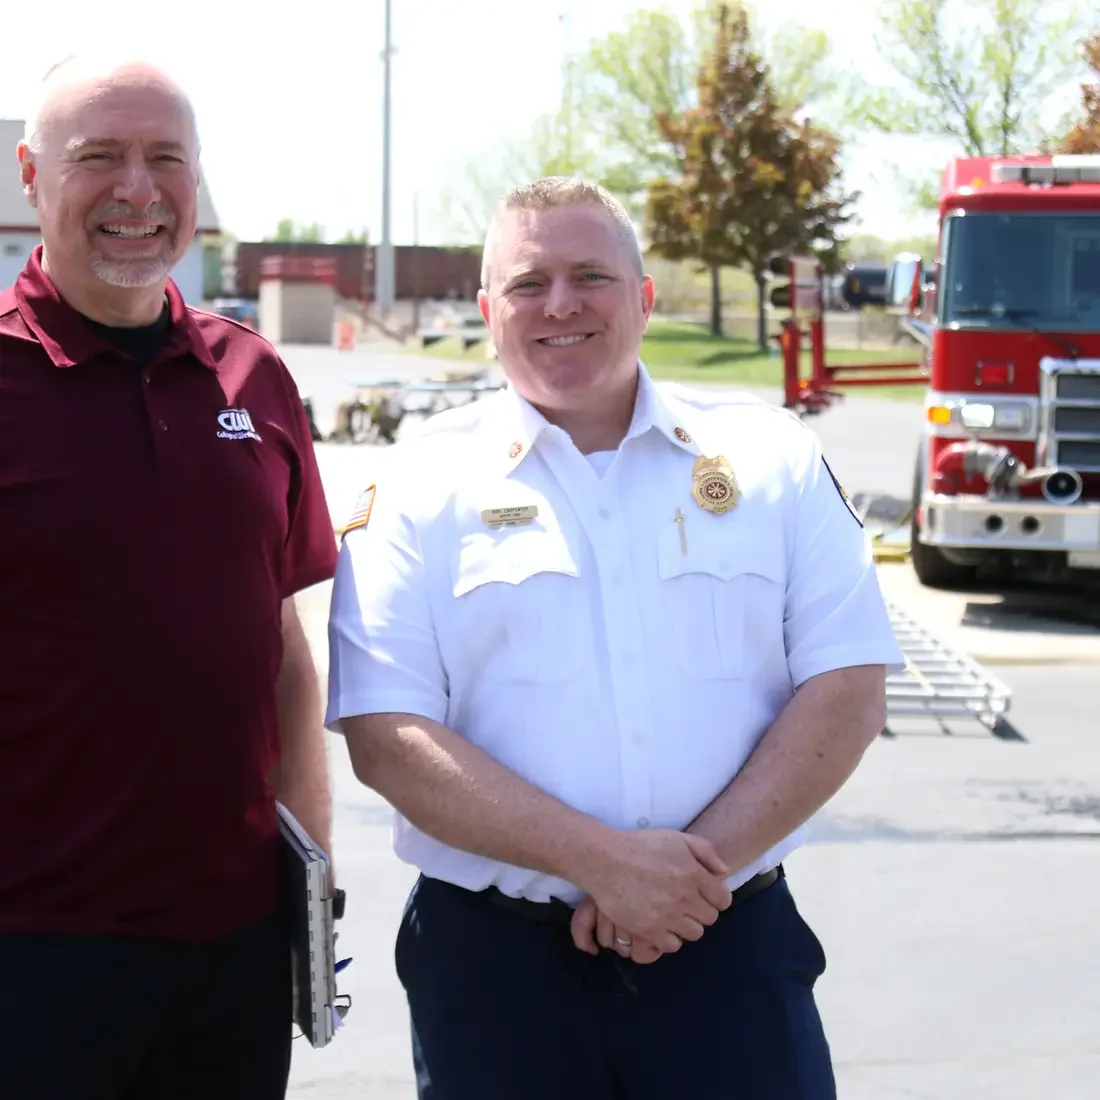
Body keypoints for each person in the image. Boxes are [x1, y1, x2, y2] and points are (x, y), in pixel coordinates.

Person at [325, 176, 906, 1100]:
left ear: (641, 296)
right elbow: (386, 736)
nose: (559, 304)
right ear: (486, 309)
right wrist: (602, 865)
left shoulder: (770, 460)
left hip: (729, 957)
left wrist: (679, 888)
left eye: (589, 274)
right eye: (527, 282)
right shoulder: (416, 483)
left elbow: (847, 687)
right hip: (497, 976)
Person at [0, 55, 338, 1099]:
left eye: (165, 160)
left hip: (232, 950)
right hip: (32, 951)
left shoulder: (255, 377)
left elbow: (279, 646)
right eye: (98, 157)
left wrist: (311, 883)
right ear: (30, 175)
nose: (137, 191)